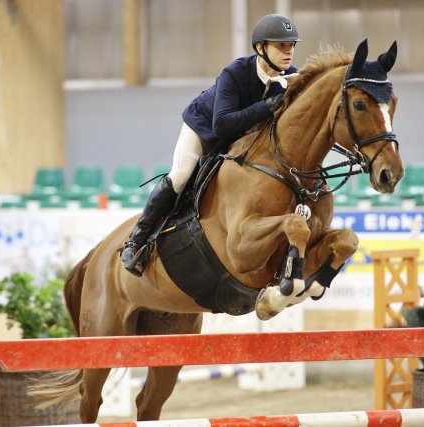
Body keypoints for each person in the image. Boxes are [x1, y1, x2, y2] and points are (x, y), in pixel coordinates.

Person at [120, 13, 302, 276]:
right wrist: (267, 106)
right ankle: (136, 240)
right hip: (203, 129)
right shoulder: (235, 73)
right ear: (261, 48)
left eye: (292, 45)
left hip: (239, 142)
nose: (289, 52)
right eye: (281, 45)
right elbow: (222, 125)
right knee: (181, 176)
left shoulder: (291, 77)